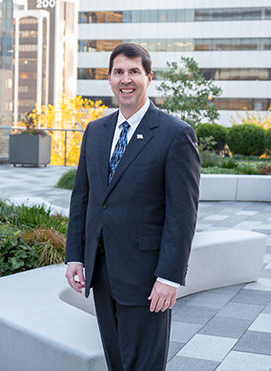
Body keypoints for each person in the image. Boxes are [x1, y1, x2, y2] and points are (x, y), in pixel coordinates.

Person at [65, 43, 200, 371]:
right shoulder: (95, 131)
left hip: (146, 278)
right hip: (101, 272)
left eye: (134, 72)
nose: (126, 79)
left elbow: (182, 213)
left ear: (148, 77)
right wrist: (74, 256)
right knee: (117, 363)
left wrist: (169, 277)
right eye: (118, 72)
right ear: (110, 79)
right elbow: (83, 197)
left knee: (142, 365)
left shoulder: (175, 134)